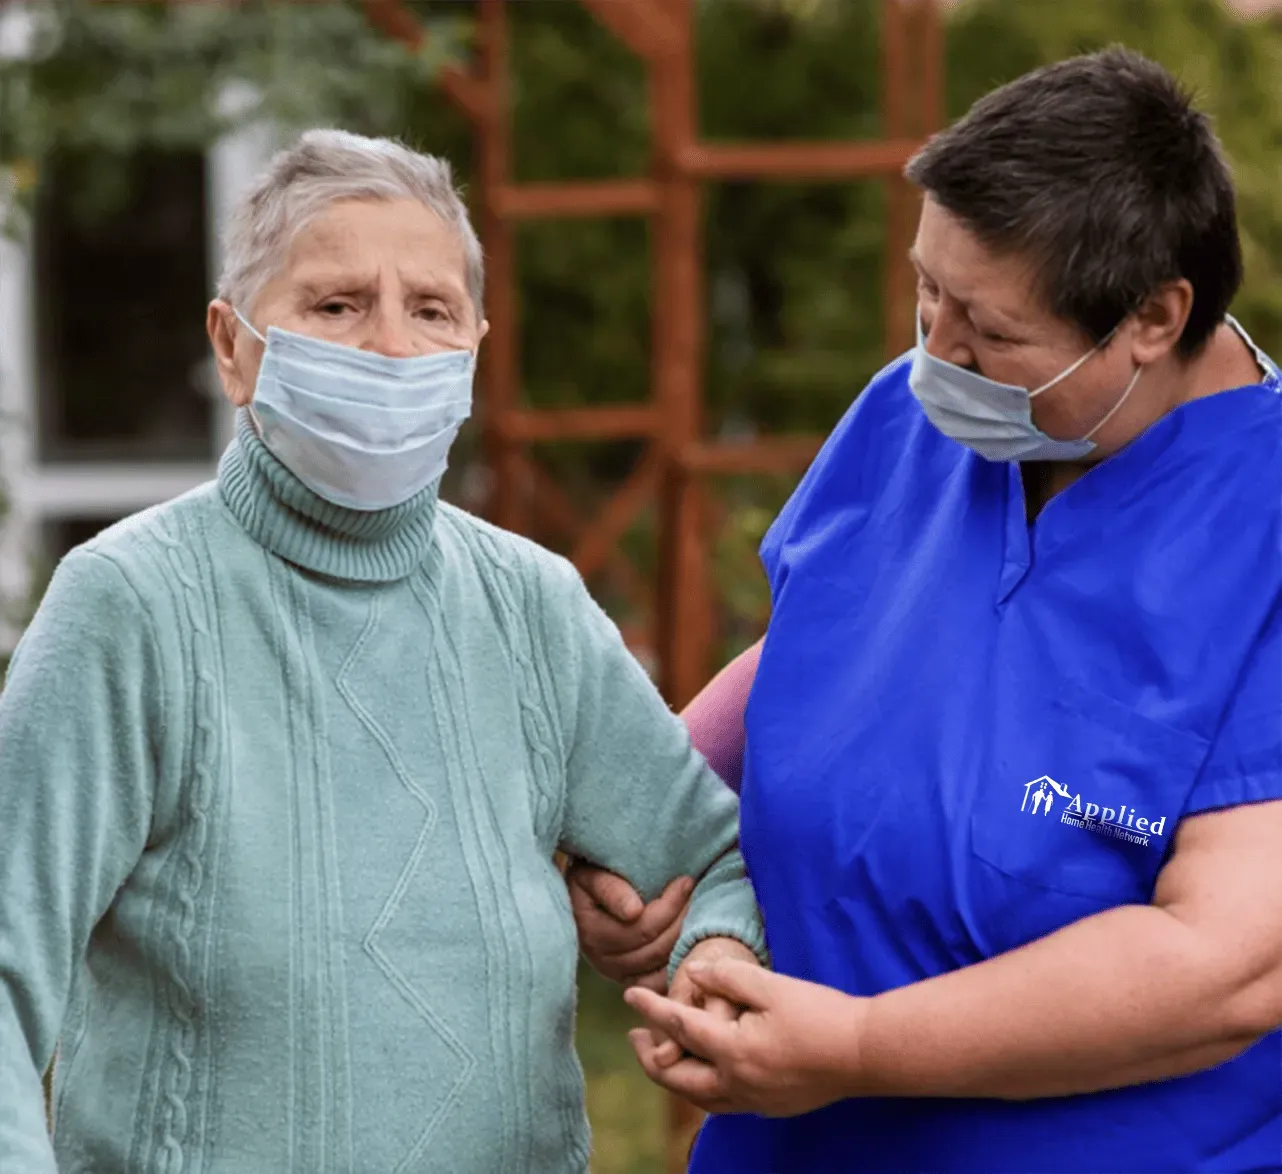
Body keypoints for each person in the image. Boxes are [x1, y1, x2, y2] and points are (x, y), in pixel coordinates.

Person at [570, 47, 1282, 1173]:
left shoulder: (1263, 531)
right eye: (925, 291)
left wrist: (855, 1044)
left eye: (989, 332)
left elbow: (1227, 964)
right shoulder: (914, 417)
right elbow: (832, 640)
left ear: (1153, 317)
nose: (934, 353)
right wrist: (642, 823)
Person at [0, 129, 766, 1174]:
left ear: (476, 346)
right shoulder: (131, 607)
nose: (392, 348)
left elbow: (716, 858)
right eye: (336, 305)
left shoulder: (532, 607)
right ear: (232, 345)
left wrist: (712, 947)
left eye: (432, 309)